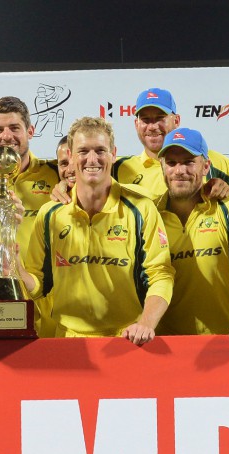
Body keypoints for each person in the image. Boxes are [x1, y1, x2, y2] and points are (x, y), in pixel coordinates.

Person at [19, 117, 174, 343]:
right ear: (70, 156)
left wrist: (145, 324)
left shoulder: (141, 209)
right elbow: (39, 286)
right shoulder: (50, 214)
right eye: (83, 151)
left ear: (113, 153)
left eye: (100, 150)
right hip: (68, 340)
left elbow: (161, 275)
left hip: (127, 337)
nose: (92, 159)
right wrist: (17, 271)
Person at [155, 128, 229, 345]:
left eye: (189, 162)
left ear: (206, 166)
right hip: (169, 348)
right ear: (161, 167)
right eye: (171, 163)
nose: (179, 170)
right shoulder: (149, 214)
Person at [0, 96, 60, 336]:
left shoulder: (56, 174)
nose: (6, 136)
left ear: (30, 130)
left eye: (14, 128)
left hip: (49, 298)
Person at [132, 87, 229, 199]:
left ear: (176, 120)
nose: (152, 126)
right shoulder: (120, 167)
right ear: (136, 124)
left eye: (160, 118)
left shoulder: (210, 160)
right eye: (145, 119)